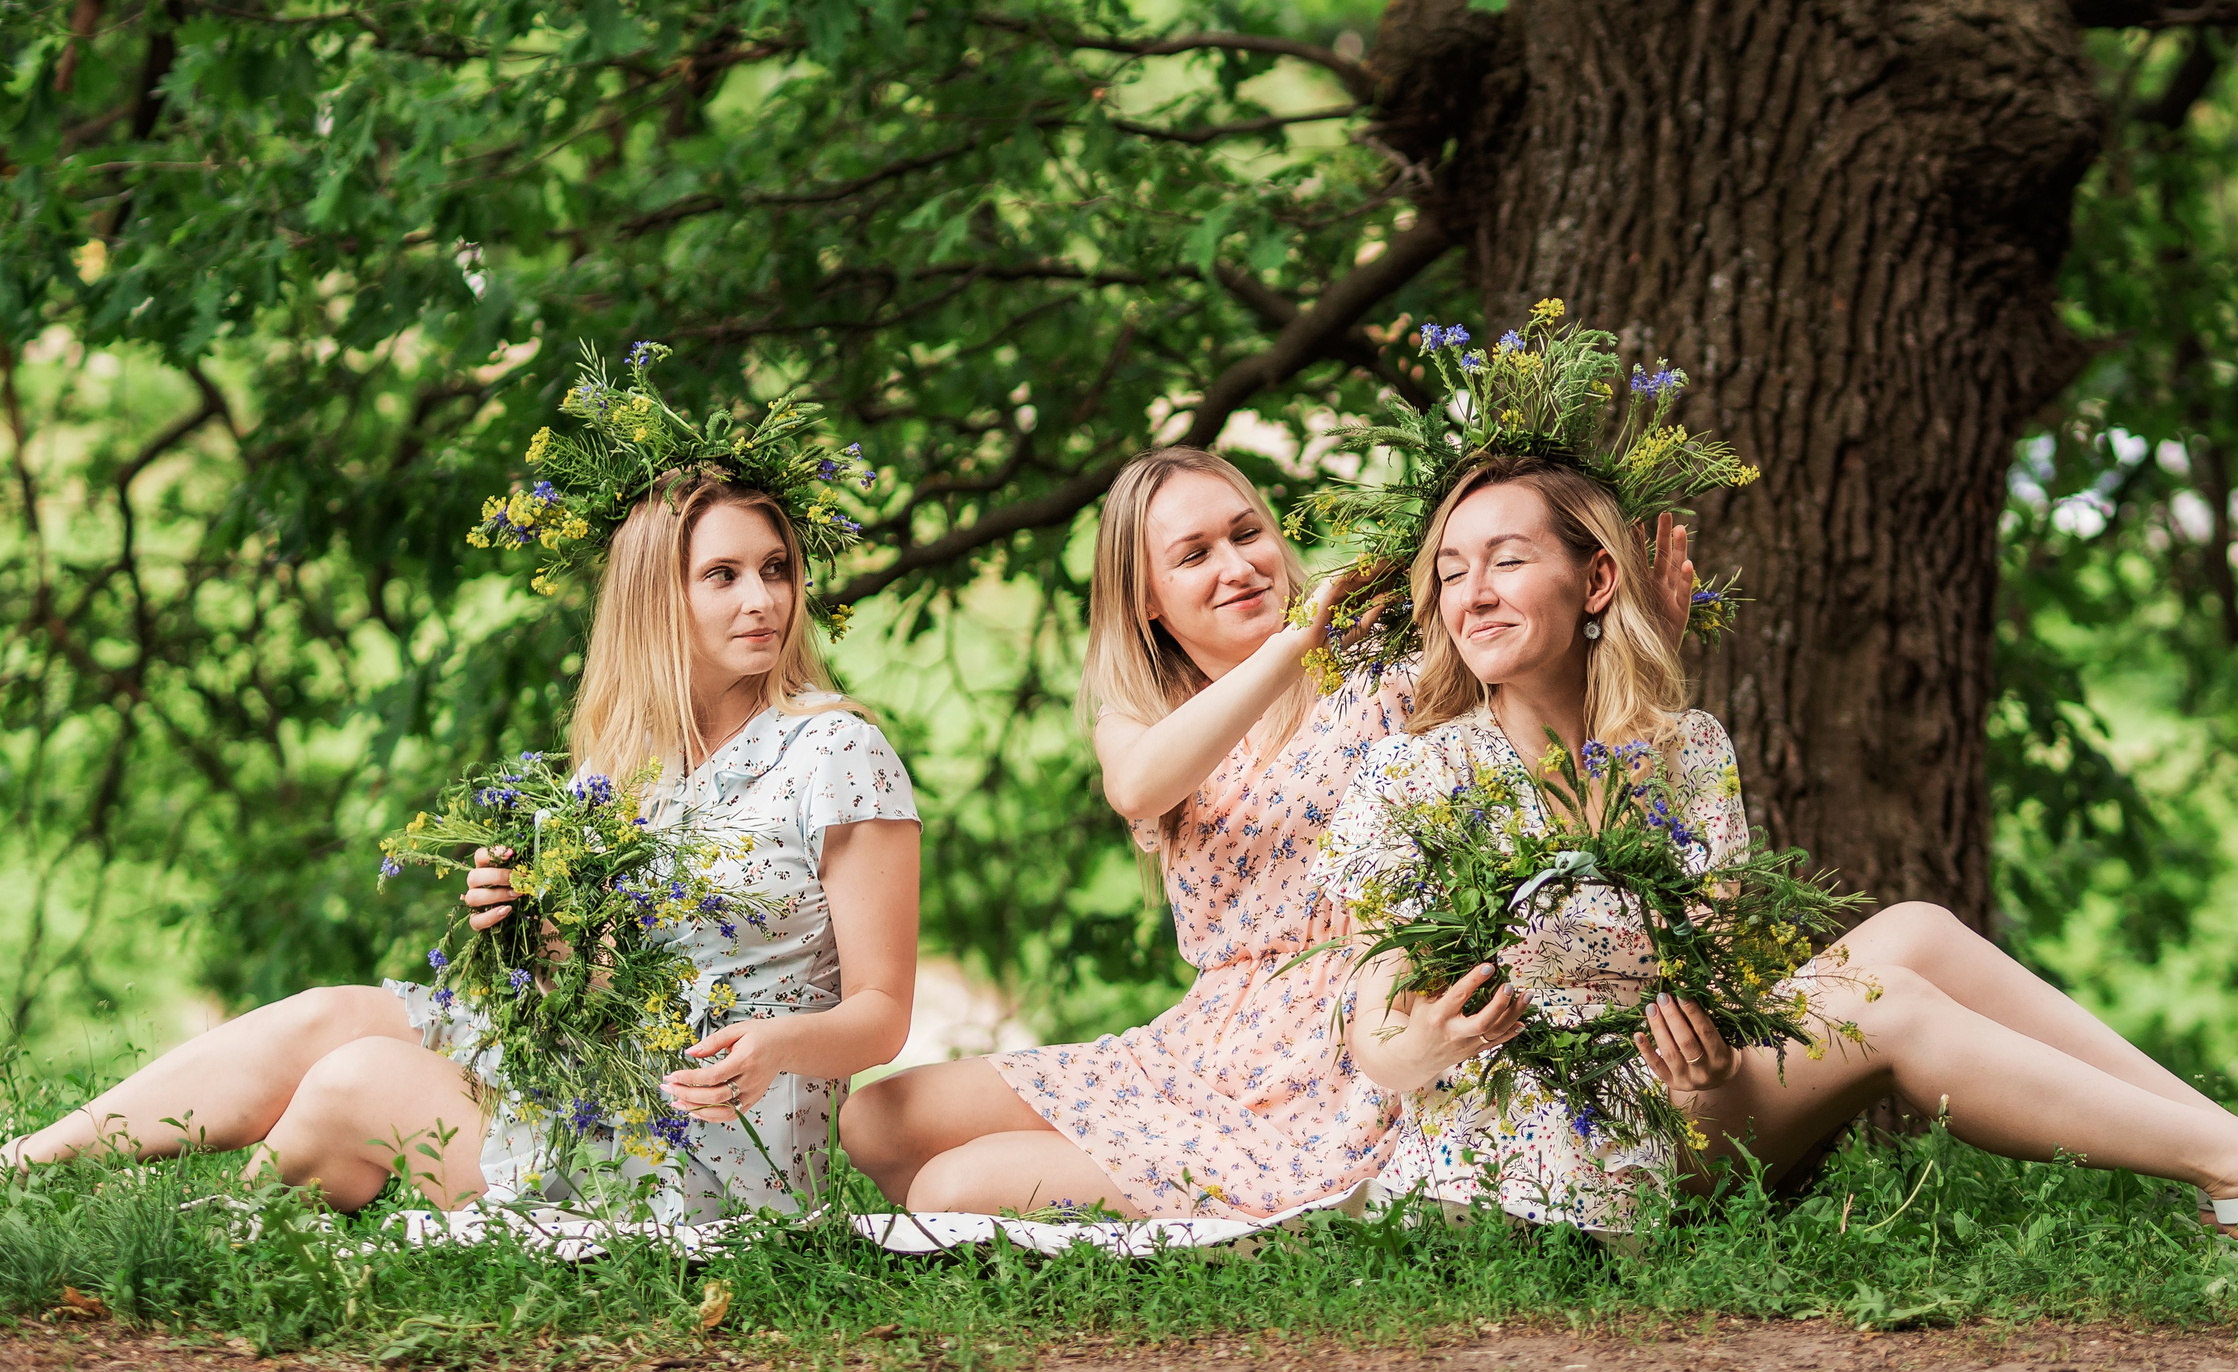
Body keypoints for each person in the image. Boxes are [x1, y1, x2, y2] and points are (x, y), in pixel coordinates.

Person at [1327, 453, 2238, 1258]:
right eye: (1451, 569)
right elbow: (1373, 1036)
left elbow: (1714, 967)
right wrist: (1422, 1040)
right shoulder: (1413, 778)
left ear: (1595, 581)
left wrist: (1707, 1042)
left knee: (1918, 930)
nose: (1470, 591)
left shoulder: (1682, 748)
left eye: (1506, 560)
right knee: (1878, 996)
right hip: (1540, 1158)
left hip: (1686, 1104)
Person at [3, 470, 921, 1221]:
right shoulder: (622, 764)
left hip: (708, 1147)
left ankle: (216, 1235)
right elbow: (587, 987)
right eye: (722, 574)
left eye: (774, 568)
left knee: (355, 1082)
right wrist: (523, 929)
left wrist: (775, 1043)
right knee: (330, 1015)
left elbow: (883, 1012)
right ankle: (27, 1161)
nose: (762, 598)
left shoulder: (836, 749)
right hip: (595, 1073)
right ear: (657, 598)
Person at [839, 446, 1707, 1219]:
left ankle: (1218, 1204)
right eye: (1194, 554)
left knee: (948, 1187)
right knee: (874, 1119)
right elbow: (1140, 785)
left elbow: (1541, 699)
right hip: (1204, 1042)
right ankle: (1144, 1184)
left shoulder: (1386, 674)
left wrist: (1639, 636)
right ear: (1147, 598)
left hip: (1337, 1049)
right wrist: (1298, 641)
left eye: (1246, 532)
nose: (1237, 565)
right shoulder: (1143, 717)